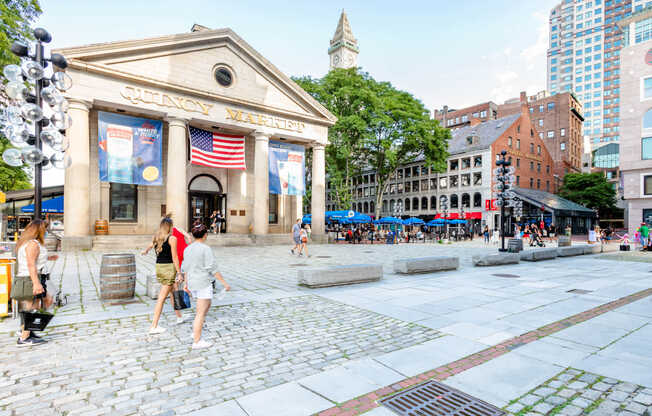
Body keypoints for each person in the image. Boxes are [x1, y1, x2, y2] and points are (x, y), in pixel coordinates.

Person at [181, 224, 230, 349]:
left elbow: (185, 268)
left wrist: (186, 283)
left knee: (206, 305)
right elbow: (213, 268)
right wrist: (224, 283)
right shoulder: (205, 249)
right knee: (200, 313)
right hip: (202, 282)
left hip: (193, 282)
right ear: (205, 235)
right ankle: (197, 341)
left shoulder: (188, 249)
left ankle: (196, 330)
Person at [12, 219, 58, 346]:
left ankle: (27, 330)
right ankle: (24, 338)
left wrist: (49, 257)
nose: (46, 232)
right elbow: (31, 264)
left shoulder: (28, 242)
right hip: (29, 278)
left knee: (43, 301)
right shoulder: (33, 244)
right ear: (39, 230)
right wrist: (36, 283)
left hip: (29, 277)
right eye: (45, 230)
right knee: (33, 306)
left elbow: (33, 259)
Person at [142, 215, 184, 334]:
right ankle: (154, 326)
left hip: (159, 268)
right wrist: (179, 273)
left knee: (172, 291)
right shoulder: (172, 238)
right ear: (170, 227)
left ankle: (179, 316)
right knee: (161, 298)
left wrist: (145, 251)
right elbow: (175, 257)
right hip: (169, 269)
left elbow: (150, 245)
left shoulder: (157, 237)